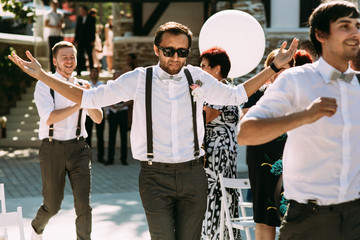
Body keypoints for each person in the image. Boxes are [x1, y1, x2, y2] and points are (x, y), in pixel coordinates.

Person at [9, 21, 297, 240]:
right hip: (154, 177)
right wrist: (43, 75)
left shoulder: (196, 76)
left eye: (182, 52)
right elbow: (88, 98)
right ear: (157, 49)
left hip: (193, 174)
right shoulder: (138, 78)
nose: (175, 57)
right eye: (169, 51)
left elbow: (235, 95)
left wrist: (272, 67)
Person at [238, 1, 360, 239]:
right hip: (310, 219)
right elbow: (246, 132)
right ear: (321, 34)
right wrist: (305, 116)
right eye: (345, 26)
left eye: (357, 25)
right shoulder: (295, 80)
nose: (355, 32)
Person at [29, 41, 103, 240]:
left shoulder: (82, 86)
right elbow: (49, 117)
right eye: (65, 57)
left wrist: (88, 97)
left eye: (72, 57)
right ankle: (36, 227)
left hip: (79, 148)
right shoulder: (44, 84)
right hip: (52, 149)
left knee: (83, 205)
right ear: (55, 61)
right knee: (52, 205)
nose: (69, 61)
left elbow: (98, 118)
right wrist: (79, 103)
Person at [241, 49, 295, 240]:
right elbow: (244, 119)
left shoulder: (298, 95)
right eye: (276, 69)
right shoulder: (258, 94)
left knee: (291, 216)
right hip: (261, 161)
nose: (279, 73)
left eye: (284, 68)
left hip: (291, 161)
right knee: (264, 217)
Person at [198, 46, 241, 240]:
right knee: (223, 199)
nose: (200, 70)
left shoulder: (219, 93)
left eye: (204, 66)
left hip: (217, 158)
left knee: (215, 199)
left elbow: (201, 118)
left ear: (217, 69)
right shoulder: (229, 91)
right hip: (225, 154)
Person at [105, 70, 130, 166]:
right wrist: (111, 107)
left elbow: (131, 99)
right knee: (112, 136)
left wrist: (123, 104)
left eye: (120, 74)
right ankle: (110, 159)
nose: (118, 76)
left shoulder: (126, 87)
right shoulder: (110, 87)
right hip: (113, 113)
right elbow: (106, 98)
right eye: (116, 75)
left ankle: (124, 159)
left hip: (123, 112)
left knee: (124, 137)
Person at [85, 68, 105, 164]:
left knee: (100, 136)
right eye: (92, 72)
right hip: (88, 113)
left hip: (99, 111)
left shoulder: (102, 85)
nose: (94, 74)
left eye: (95, 72)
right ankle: (88, 157)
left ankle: (101, 157)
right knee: (87, 136)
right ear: (90, 74)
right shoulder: (86, 85)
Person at [75, 5, 96, 76]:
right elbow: (77, 30)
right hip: (80, 40)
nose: (80, 12)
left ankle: (92, 70)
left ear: (85, 10)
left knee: (90, 55)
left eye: (81, 10)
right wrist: (76, 40)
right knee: (80, 55)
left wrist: (93, 40)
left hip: (88, 40)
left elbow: (93, 30)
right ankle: (79, 70)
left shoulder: (91, 18)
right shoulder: (79, 18)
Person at [44, 0, 64, 73]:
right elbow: (46, 24)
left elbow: (62, 23)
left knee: (59, 52)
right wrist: (55, 27)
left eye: (56, 5)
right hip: (52, 35)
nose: (54, 6)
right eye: (53, 5)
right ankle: (52, 68)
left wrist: (61, 26)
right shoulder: (48, 14)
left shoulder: (60, 14)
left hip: (58, 35)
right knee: (52, 52)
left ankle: (59, 68)